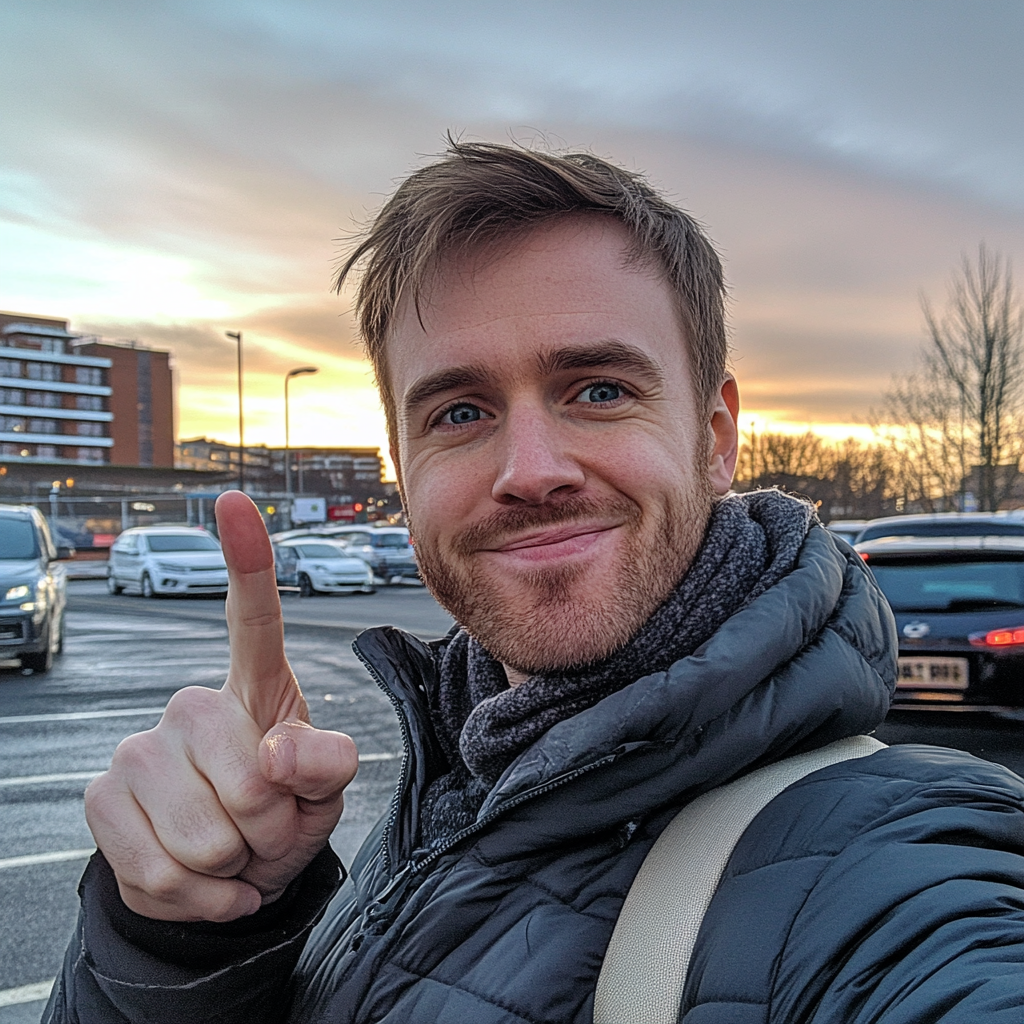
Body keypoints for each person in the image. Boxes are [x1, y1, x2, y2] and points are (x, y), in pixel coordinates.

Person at [47, 142, 1024, 1024]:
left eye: (598, 390)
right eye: (460, 410)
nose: (530, 467)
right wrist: (185, 938)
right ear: (400, 462)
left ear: (714, 436)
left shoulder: (895, 868)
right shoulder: (452, 792)